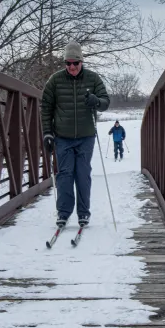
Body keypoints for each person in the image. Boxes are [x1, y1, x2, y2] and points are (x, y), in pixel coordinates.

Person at [41, 41, 110, 228]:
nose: (71, 67)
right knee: (64, 174)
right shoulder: (55, 81)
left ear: (81, 62)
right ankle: (63, 213)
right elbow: (46, 108)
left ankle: (83, 213)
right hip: (62, 136)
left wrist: (96, 101)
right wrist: (47, 133)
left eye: (75, 63)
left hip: (86, 136)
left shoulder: (93, 79)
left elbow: (106, 102)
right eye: (68, 63)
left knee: (82, 174)